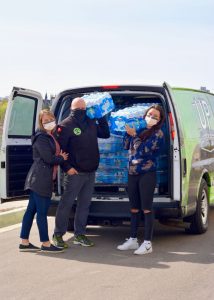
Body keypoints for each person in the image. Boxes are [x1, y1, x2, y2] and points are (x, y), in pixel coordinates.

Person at [52, 97, 110, 248]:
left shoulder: (90, 122)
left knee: (84, 205)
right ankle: (58, 234)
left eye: (84, 109)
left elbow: (105, 133)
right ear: (72, 109)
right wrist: (67, 168)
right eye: (79, 109)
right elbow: (59, 151)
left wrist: (100, 116)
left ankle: (80, 234)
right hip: (74, 173)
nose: (82, 111)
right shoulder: (65, 125)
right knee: (66, 204)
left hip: (90, 172)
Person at [117, 104, 165, 255]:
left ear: (159, 120)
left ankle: (147, 243)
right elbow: (125, 146)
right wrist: (127, 133)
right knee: (134, 208)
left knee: (146, 208)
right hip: (132, 173)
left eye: (155, 116)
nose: (151, 118)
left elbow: (144, 150)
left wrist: (134, 136)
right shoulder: (139, 130)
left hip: (147, 174)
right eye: (150, 114)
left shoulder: (158, 134)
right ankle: (132, 239)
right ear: (145, 115)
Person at [19, 109, 69, 253]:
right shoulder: (41, 137)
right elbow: (48, 158)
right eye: (45, 121)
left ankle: (24, 242)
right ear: (41, 123)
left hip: (40, 177)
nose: (49, 123)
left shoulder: (49, 135)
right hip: (41, 178)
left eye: (50, 119)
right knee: (41, 212)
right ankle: (46, 243)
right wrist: (62, 158)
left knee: (31, 210)